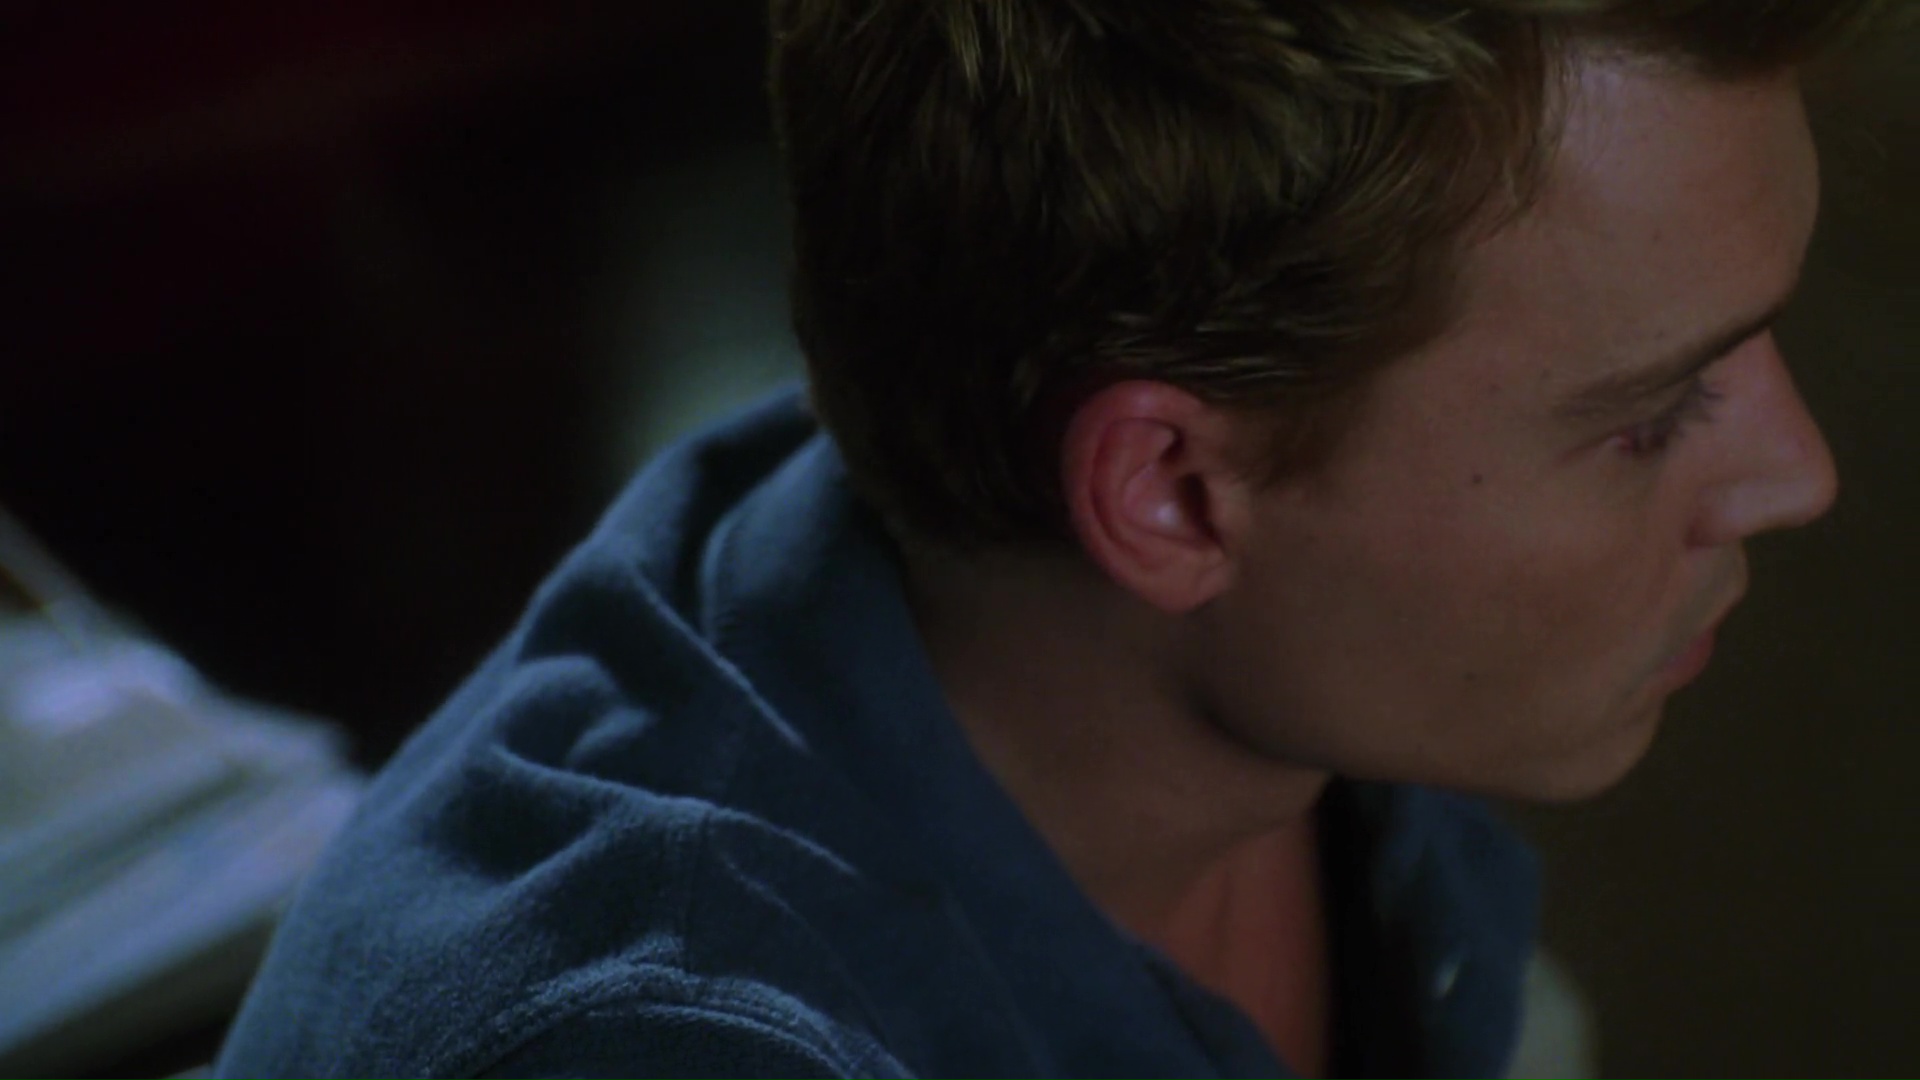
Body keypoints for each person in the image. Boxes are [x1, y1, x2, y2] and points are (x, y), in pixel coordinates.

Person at [216, 2, 1873, 1077]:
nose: (1799, 474)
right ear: (1171, 495)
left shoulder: (1307, 679)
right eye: (1648, 415)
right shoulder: (678, 1042)